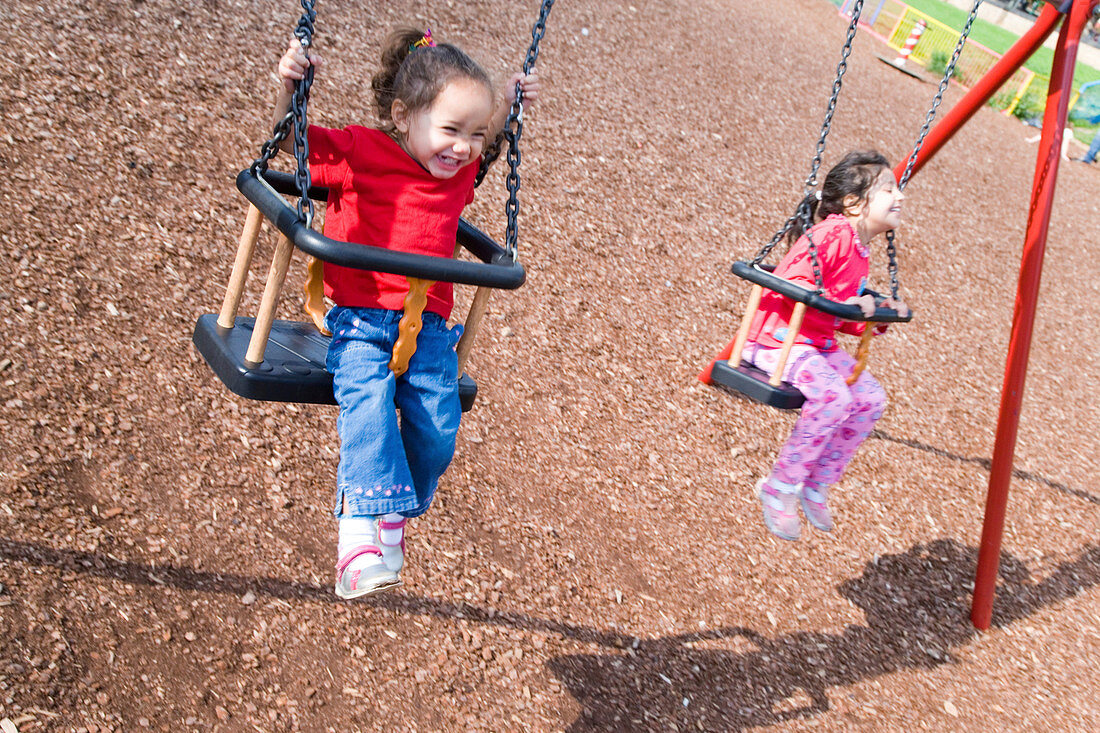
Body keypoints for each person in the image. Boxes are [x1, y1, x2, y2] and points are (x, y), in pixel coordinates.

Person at [274, 28, 539, 598]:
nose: (463, 147)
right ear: (401, 115)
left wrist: (511, 107)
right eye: (450, 130)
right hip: (363, 323)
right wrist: (289, 87)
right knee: (367, 409)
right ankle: (355, 542)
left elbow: (488, 137)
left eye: (472, 134)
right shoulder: (357, 151)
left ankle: (392, 516)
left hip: (432, 330)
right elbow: (292, 144)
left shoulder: (458, 177)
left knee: (439, 428)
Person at [743, 150, 909, 541]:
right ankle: (779, 486)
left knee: (870, 399)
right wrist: (851, 304)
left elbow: (836, 313)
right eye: (889, 189)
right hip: (776, 340)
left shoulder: (860, 249)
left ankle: (814, 483)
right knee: (834, 397)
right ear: (853, 202)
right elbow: (792, 280)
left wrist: (879, 312)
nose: (900, 196)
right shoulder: (832, 233)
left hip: (813, 344)